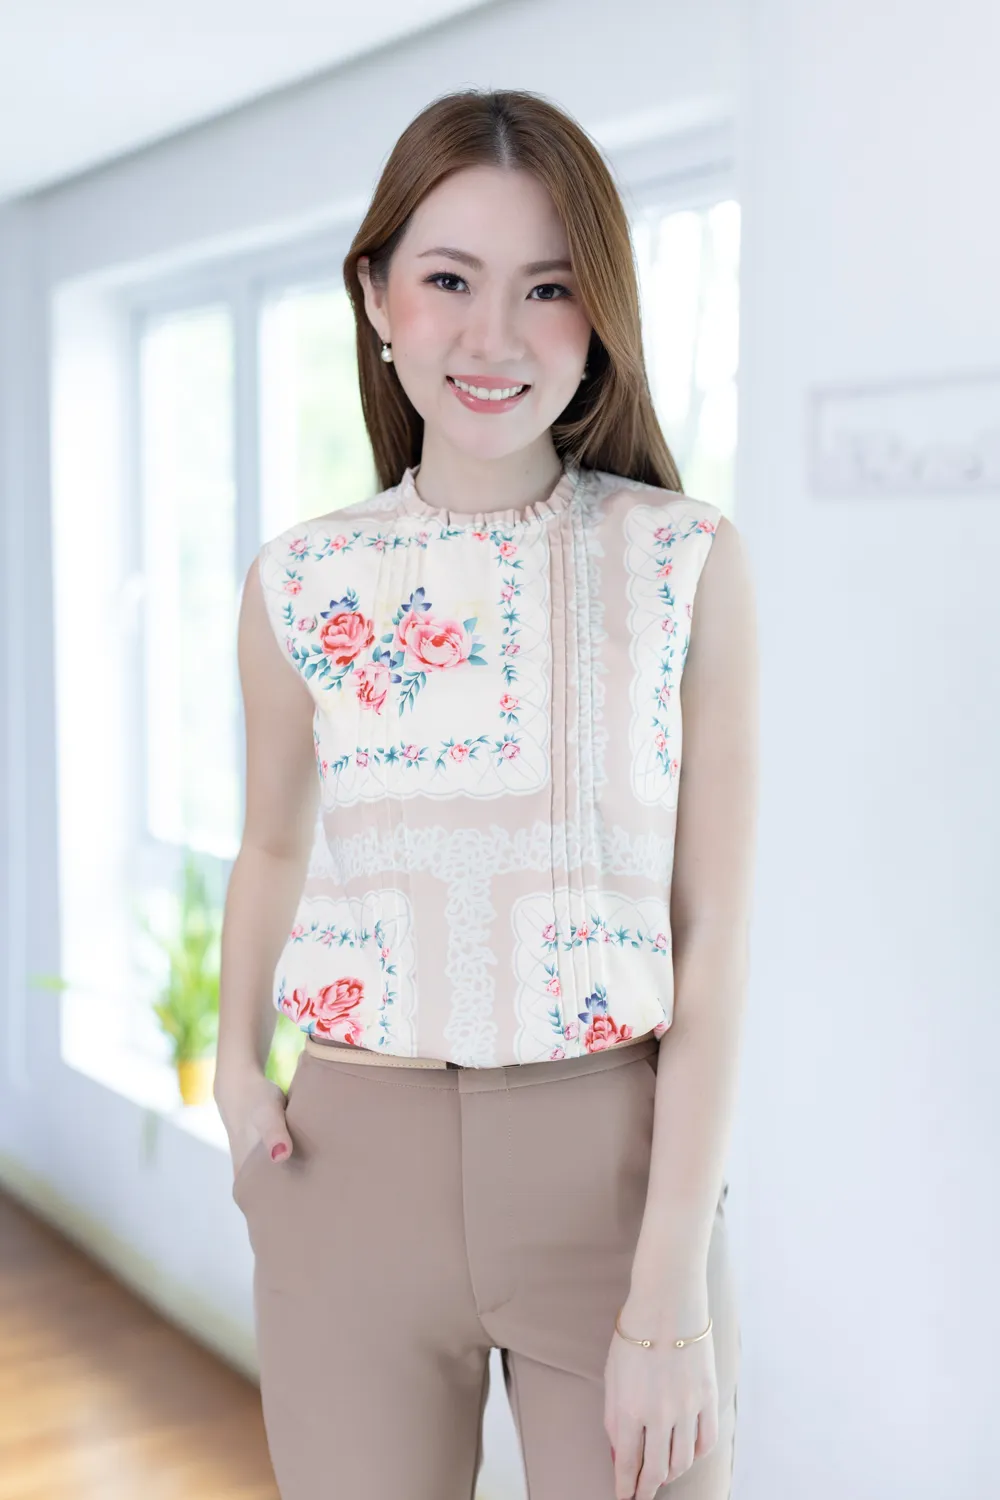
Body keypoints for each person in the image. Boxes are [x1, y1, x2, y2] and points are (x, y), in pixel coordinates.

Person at [214, 86, 758, 1500]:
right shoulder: (300, 581)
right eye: (450, 280)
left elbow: (712, 932)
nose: (495, 336)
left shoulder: (684, 561)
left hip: (614, 1181)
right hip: (350, 1164)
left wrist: (670, 1292)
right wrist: (232, 1063)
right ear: (376, 295)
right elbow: (270, 845)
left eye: (549, 288)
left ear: (601, 314)